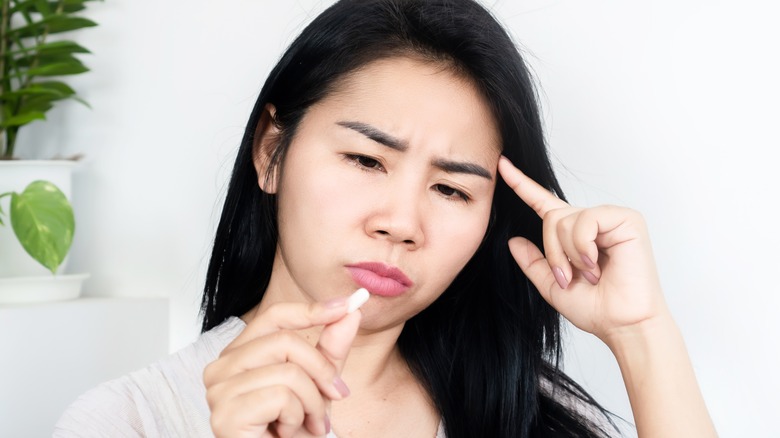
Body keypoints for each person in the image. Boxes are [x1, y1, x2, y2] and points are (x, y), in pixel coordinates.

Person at [55, 0, 718, 437]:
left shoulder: (531, 416)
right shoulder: (127, 421)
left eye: (453, 190)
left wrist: (641, 334)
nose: (402, 223)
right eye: (367, 160)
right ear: (271, 153)